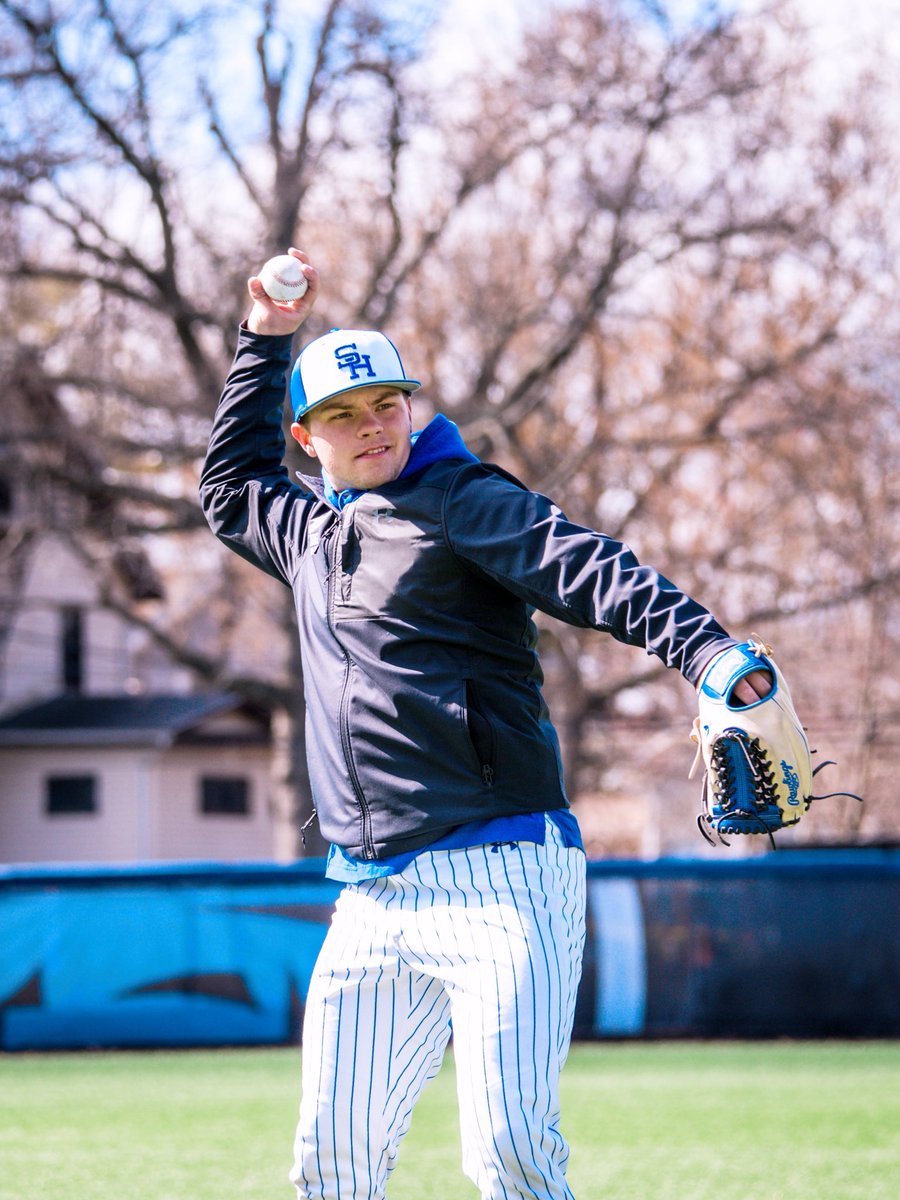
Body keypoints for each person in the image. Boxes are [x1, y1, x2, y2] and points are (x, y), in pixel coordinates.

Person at [200, 248, 770, 1200]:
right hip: (371, 896)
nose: (371, 424)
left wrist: (704, 649)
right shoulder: (308, 535)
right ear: (304, 436)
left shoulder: (464, 502)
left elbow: (588, 566)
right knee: (331, 1162)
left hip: (501, 875)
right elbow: (228, 486)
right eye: (343, 414)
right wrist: (265, 336)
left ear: (410, 408)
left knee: (510, 1152)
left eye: (386, 403)